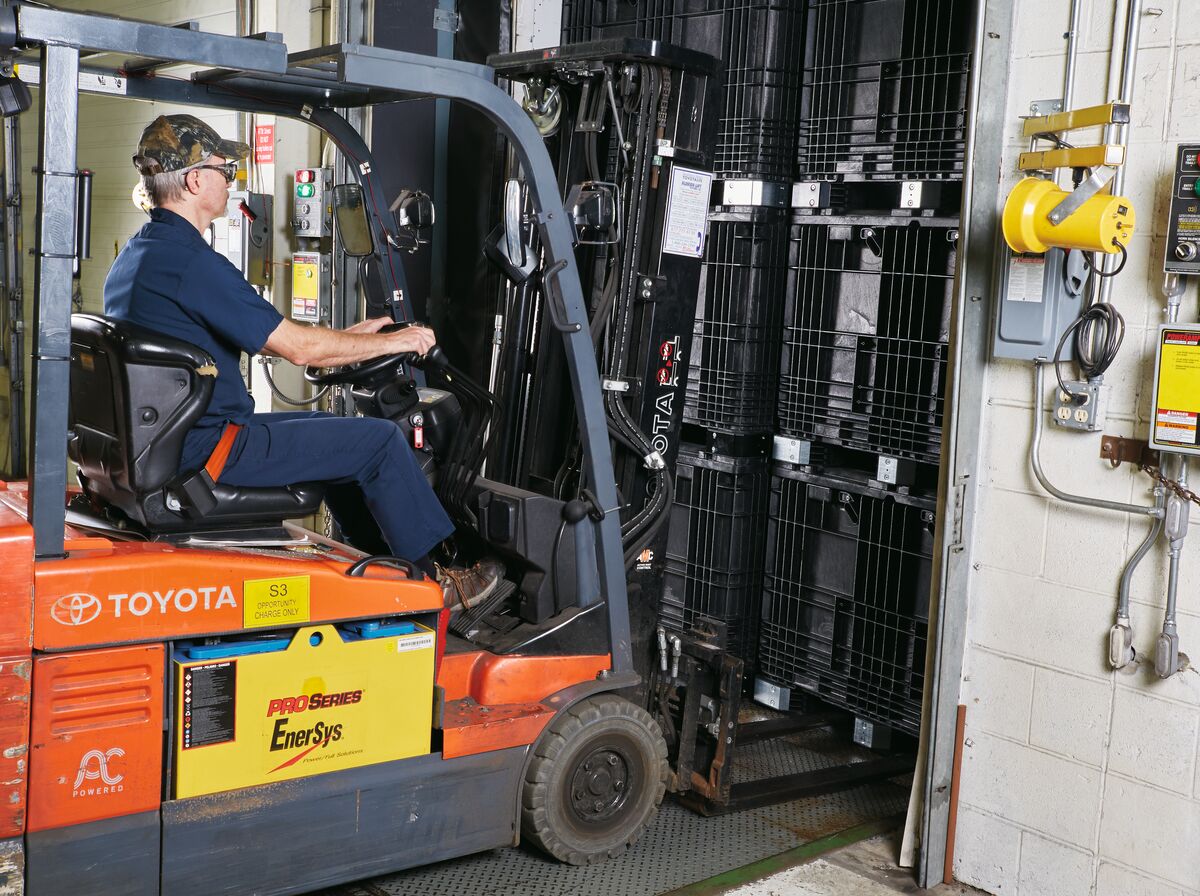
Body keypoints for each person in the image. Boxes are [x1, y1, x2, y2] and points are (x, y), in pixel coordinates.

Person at [104, 114, 500, 607]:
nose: (231, 180)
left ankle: (381, 575)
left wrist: (349, 339)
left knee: (336, 441)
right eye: (224, 170)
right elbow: (297, 349)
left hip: (174, 444)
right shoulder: (190, 262)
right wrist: (395, 343)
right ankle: (436, 581)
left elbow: (271, 336)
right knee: (378, 441)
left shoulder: (141, 255)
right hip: (210, 449)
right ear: (193, 180)